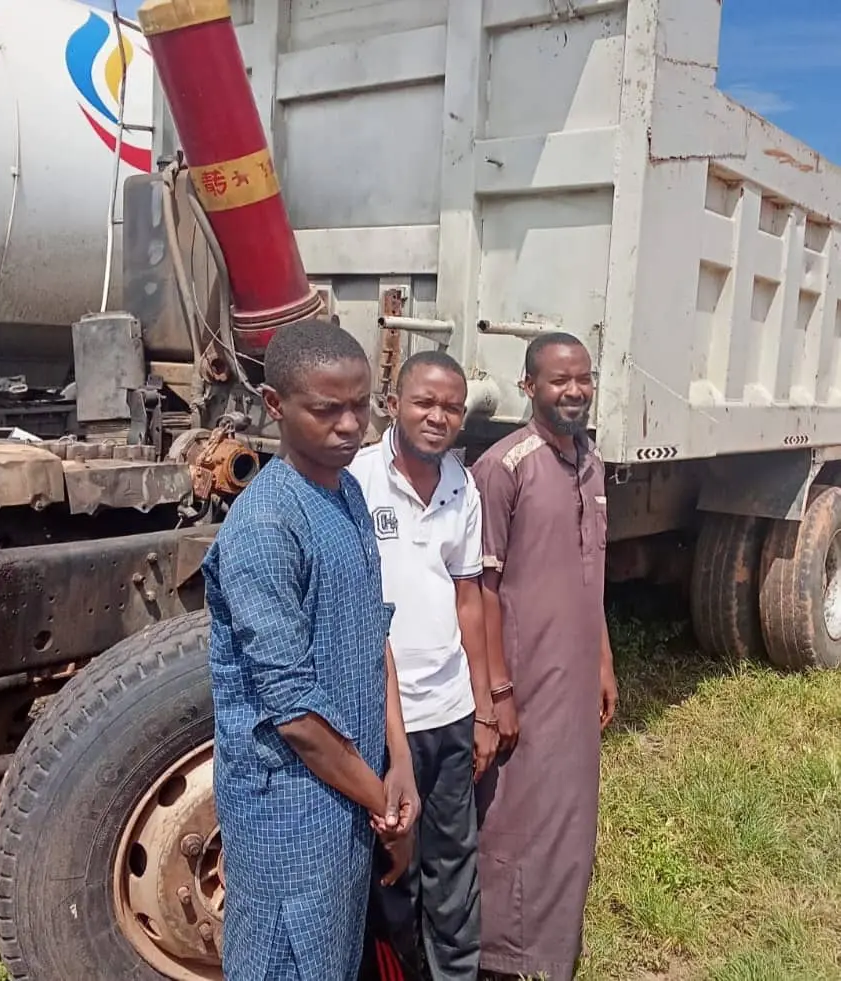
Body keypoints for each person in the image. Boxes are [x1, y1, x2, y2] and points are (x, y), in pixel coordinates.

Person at [203, 319, 421, 981]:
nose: (350, 424)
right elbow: (294, 712)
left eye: (361, 404)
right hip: (288, 817)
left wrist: (401, 757)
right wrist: (384, 805)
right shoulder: (267, 525)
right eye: (328, 409)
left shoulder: (347, 491)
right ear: (275, 406)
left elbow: (370, 630)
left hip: (352, 797)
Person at [471, 332, 619, 981]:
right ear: (528, 386)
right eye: (559, 380)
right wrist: (496, 693)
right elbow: (479, 589)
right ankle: (500, 953)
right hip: (521, 682)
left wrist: (603, 663)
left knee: (569, 812)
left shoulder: (591, 461)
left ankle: (554, 950)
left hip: (572, 679)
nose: (574, 391)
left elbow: (593, 575)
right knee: (515, 812)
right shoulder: (504, 467)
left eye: (582, 378)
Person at [350, 351, 498, 980]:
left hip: (450, 709)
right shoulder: (355, 478)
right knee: (390, 864)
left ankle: (455, 972)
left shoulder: (464, 486)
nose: (438, 417)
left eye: (451, 407)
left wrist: (486, 706)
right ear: (394, 403)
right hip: (381, 717)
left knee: (453, 857)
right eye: (425, 402)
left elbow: (470, 598)